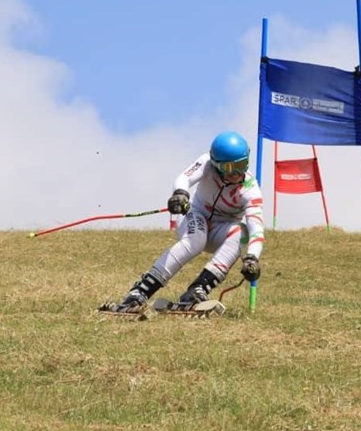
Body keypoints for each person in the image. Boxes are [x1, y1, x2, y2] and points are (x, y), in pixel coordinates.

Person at [111, 131, 264, 313]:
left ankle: (197, 290)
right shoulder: (206, 162)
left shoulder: (251, 189)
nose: (237, 173)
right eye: (231, 167)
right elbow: (184, 177)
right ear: (217, 165)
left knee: (243, 233)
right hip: (195, 215)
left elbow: (257, 229)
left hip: (220, 230)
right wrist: (180, 194)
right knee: (196, 239)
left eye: (242, 164)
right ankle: (140, 291)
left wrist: (252, 258)